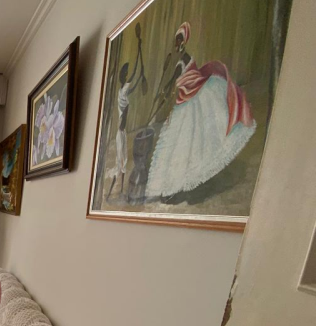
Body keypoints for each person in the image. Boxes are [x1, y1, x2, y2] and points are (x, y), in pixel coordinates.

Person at [145, 22, 256, 201]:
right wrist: (165, 91)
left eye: (179, 40)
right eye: (176, 40)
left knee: (188, 143)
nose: (177, 43)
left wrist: (166, 90)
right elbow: (174, 81)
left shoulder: (184, 59)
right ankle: (169, 187)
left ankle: (177, 186)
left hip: (192, 101)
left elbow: (175, 79)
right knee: (176, 143)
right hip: (184, 100)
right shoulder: (180, 59)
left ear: (184, 41)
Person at [107, 61, 142, 199]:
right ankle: (113, 191)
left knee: (123, 161)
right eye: (126, 74)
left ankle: (120, 189)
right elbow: (131, 80)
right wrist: (136, 69)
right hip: (120, 131)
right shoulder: (123, 92)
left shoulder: (121, 92)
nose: (127, 76)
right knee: (120, 162)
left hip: (122, 131)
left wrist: (138, 79)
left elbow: (130, 89)